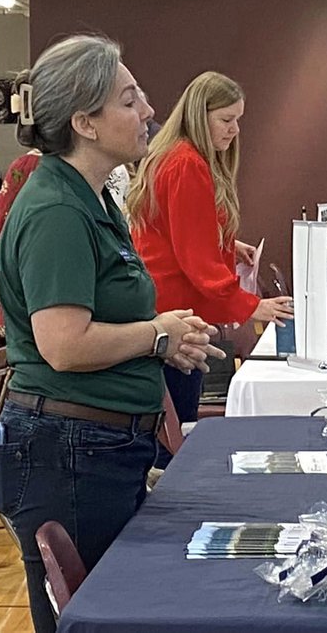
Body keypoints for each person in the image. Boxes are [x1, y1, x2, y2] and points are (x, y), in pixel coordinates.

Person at [0, 35, 224, 633]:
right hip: (70, 450)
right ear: (85, 123)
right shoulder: (57, 212)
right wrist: (157, 335)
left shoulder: (90, 200)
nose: (149, 110)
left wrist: (166, 336)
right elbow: (64, 345)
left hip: (97, 447)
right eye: (129, 99)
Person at [128, 71, 294, 436]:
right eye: (226, 119)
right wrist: (250, 305)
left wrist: (227, 246)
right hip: (177, 315)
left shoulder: (172, 156)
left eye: (237, 120)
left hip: (165, 310)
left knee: (170, 426)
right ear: (199, 117)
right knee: (174, 432)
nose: (235, 130)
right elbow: (197, 261)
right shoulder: (187, 164)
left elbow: (174, 233)